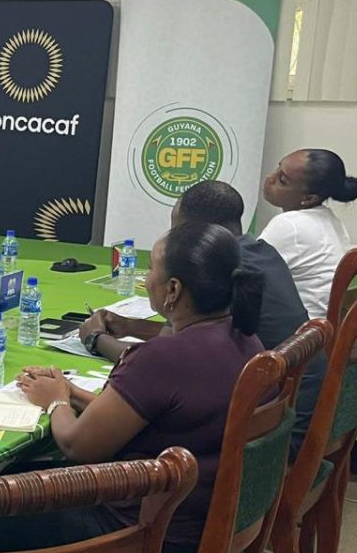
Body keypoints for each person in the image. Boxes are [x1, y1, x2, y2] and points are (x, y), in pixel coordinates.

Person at [0, 223, 265, 553]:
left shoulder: (164, 357)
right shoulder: (248, 341)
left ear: (173, 289)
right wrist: (71, 391)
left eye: (152, 271)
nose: (146, 281)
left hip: (147, 540)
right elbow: (155, 414)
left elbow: (77, 446)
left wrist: (56, 403)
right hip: (203, 533)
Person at [81, 180, 322, 449]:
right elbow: (194, 339)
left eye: (179, 231)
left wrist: (96, 339)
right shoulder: (257, 255)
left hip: (264, 442)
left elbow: (164, 363)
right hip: (279, 424)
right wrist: (131, 326)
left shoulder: (211, 269)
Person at [258, 148, 357, 319]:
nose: (270, 178)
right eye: (278, 168)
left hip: (299, 334)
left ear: (309, 198)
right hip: (319, 329)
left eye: (282, 180)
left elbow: (245, 277)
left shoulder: (289, 225)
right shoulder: (330, 219)